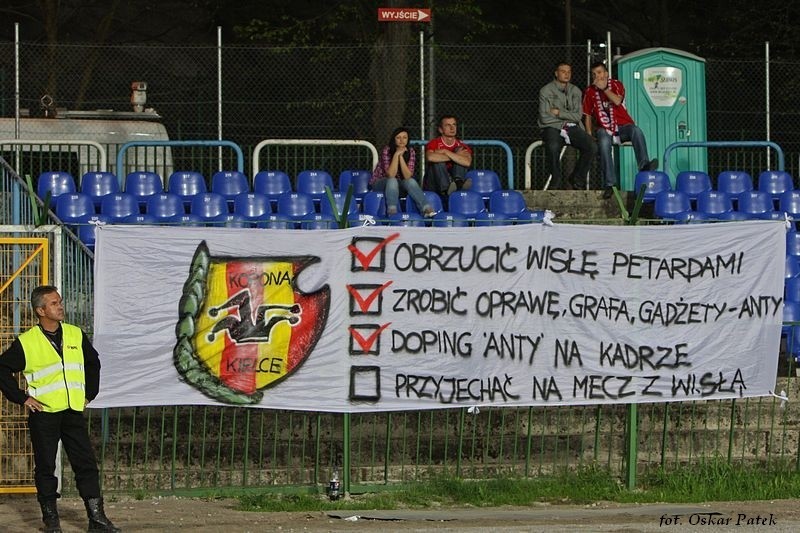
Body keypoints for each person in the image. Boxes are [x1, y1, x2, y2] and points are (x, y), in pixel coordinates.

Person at [0, 285, 120, 533]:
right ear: (41, 310)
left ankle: (97, 519)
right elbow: (2, 369)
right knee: (46, 467)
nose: (60, 306)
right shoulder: (27, 342)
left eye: (60, 302)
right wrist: (22, 398)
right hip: (43, 414)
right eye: (54, 303)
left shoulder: (75, 334)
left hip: (73, 411)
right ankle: (51, 522)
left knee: (86, 464)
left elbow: (93, 363)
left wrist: (89, 394)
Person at [582, 61, 658, 199]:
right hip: (604, 128)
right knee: (603, 140)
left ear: (606, 73)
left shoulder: (616, 84)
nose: (597, 76)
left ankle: (644, 166)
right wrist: (588, 134)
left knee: (636, 130)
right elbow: (587, 115)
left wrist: (605, 89)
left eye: (599, 72)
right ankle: (610, 184)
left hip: (622, 126)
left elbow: (617, 101)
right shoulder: (590, 91)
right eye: (594, 74)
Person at [538, 61, 597, 190]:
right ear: (556, 73)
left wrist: (558, 112)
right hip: (552, 126)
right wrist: (566, 117)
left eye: (569, 72)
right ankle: (556, 177)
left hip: (571, 126)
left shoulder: (575, 91)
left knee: (591, 146)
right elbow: (544, 117)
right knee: (553, 146)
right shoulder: (546, 90)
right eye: (563, 71)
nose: (567, 74)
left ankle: (577, 178)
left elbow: (577, 116)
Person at [371, 126, 435, 218]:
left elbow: (407, 176)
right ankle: (392, 212)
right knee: (392, 180)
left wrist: (401, 157)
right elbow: (391, 174)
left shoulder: (411, 151)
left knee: (411, 181)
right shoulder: (387, 150)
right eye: (398, 137)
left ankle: (426, 209)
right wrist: (396, 154)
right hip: (381, 183)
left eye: (404, 137)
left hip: (399, 184)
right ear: (394, 139)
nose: (401, 140)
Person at [424, 114, 473, 207]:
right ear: (440, 129)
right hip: (434, 182)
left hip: (453, 180)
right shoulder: (434, 143)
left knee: (458, 153)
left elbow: (467, 162)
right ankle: (447, 189)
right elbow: (430, 157)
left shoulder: (461, 145)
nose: (452, 128)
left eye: (454, 125)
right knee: (438, 162)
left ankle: (458, 182)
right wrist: (456, 156)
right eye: (448, 125)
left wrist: (446, 152)